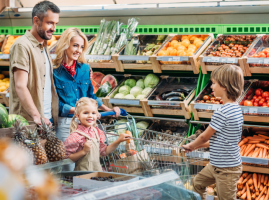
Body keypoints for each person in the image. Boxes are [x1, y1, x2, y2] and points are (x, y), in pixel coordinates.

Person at [183, 64, 244, 200]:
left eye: (214, 83)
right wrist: (196, 146)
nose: (211, 86)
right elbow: (219, 141)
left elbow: (204, 136)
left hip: (227, 169)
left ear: (224, 86)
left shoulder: (221, 112)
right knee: (197, 183)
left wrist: (192, 145)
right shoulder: (236, 109)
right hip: (216, 165)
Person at [53, 27, 121, 144]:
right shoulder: (53, 71)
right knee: (69, 160)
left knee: (85, 160)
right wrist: (83, 111)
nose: (79, 50)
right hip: (65, 124)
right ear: (65, 45)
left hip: (85, 124)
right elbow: (54, 103)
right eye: (75, 45)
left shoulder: (84, 69)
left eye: (81, 47)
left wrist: (107, 109)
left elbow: (91, 96)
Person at [9, 1, 60, 126]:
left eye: (55, 24)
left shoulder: (43, 45)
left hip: (46, 119)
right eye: (49, 23)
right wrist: (37, 116)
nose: (53, 28)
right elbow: (20, 85)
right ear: (36, 21)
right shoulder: (22, 45)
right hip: (29, 123)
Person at [64, 97, 130, 171]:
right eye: (86, 113)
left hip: (97, 174)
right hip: (82, 176)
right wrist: (84, 151)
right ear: (78, 116)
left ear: (97, 115)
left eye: (93, 113)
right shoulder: (75, 136)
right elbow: (67, 158)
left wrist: (118, 141)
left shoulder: (97, 132)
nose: (90, 116)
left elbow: (104, 151)